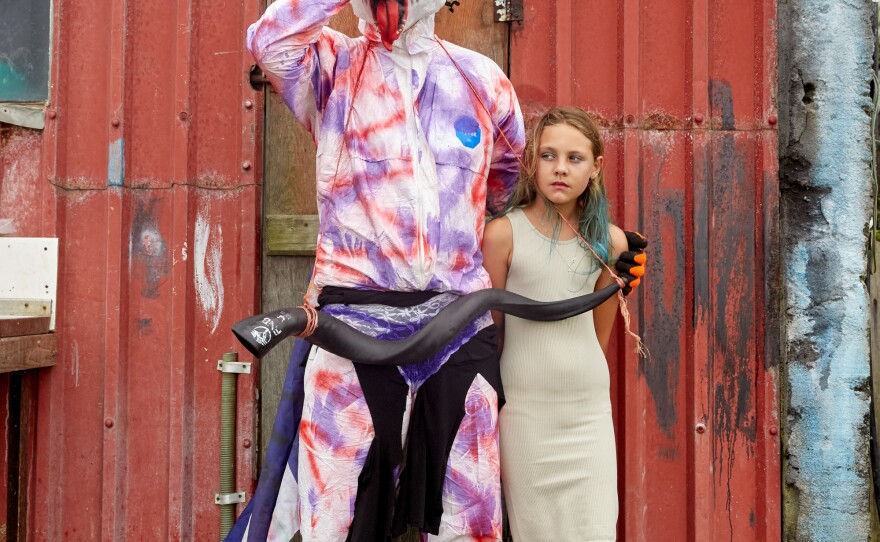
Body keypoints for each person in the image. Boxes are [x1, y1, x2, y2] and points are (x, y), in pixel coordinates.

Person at [227, 1, 646, 540]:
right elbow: (270, 42)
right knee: (334, 512)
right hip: (355, 321)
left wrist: (594, 245)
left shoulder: (482, 81)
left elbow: (515, 191)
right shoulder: (331, 67)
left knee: (469, 518)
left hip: (457, 326)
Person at [482, 106, 630, 541]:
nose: (560, 169)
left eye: (574, 158)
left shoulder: (610, 241)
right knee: (536, 532)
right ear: (531, 162)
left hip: (586, 414)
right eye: (548, 156)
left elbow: (598, 333)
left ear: (596, 167)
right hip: (527, 413)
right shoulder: (503, 235)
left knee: (596, 530)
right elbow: (492, 333)